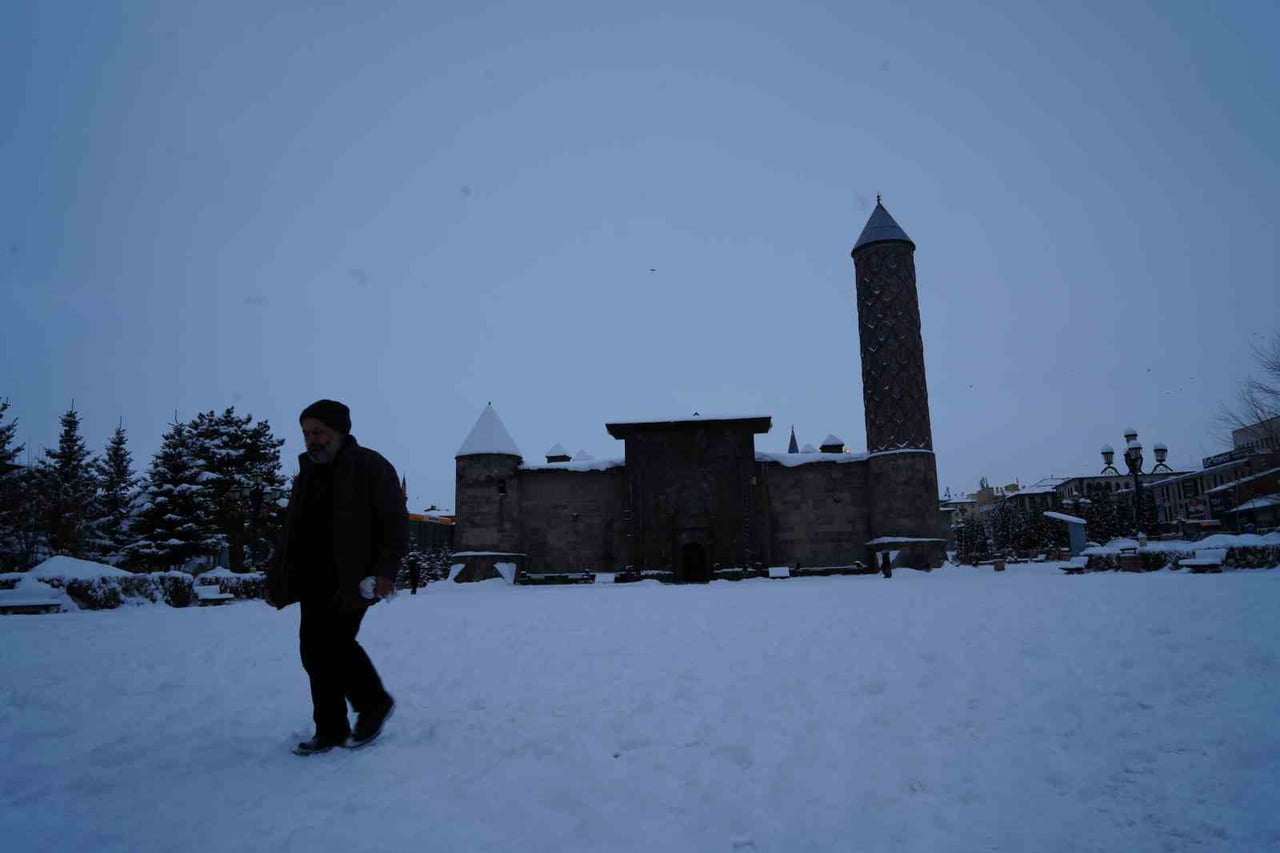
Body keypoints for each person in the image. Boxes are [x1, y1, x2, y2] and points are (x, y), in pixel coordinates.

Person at [265, 400, 408, 755]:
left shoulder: (370, 466)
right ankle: (329, 729)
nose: (311, 440)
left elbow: (395, 523)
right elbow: (292, 531)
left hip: (354, 577)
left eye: (318, 432)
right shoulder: (308, 472)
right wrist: (276, 577)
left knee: (334, 644)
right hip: (312, 578)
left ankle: (373, 702)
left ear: (339, 432)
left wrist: (385, 570)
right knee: (313, 652)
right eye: (306, 433)